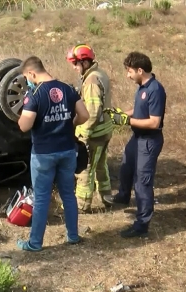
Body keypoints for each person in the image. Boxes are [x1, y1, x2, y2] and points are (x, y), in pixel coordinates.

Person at [15, 56, 89, 252]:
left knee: (41, 198)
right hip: (67, 150)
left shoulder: (35, 94)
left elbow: (24, 126)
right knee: (68, 194)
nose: (27, 82)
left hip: (43, 154)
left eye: (26, 78)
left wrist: (24, 112)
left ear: (32, 73)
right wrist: (68, 125)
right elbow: (84, 115)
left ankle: (35, 243)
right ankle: (73, 236)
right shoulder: (67, 88)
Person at [103, 52, 167, 238]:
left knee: (142, 182)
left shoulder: (155, 90)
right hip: (137, 138)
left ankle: (142, 224)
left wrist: (126, 122)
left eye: (129, 71)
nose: (127, 75)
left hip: (149, 140)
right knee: (125, 168)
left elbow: (154, 122)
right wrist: (121, 113)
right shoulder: (141, 87)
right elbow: (138, 111)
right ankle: (123, 197)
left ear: (140, 70)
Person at [66, 43, 114, 212]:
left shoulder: (92, 80)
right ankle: (107, 197)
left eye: (75, 64)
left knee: (86, 169)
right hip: (105, 130)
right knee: (101, 165)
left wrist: (83, 133)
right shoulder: (100, 74)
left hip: (94, 133)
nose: (74, 67)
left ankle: (82, 204)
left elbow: (93, 112)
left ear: (85, 63)